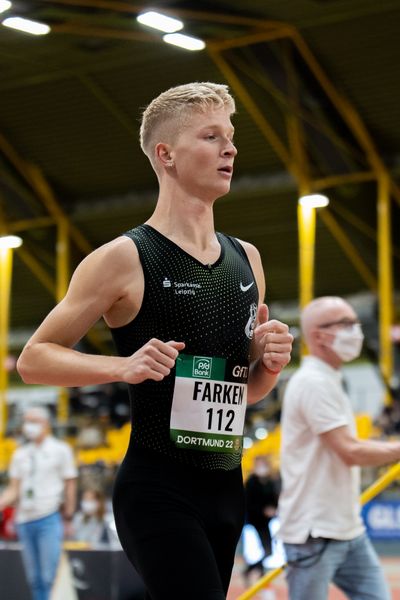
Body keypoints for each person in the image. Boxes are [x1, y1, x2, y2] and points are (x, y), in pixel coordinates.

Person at [16, 82, 293, 599]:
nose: (230, 148)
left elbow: (245, 392)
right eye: (211, 136)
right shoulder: (123, 257)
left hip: (227, 488)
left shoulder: (247, 259)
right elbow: (33, 359)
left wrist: (268, 367)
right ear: (165, 154)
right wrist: (121, 368)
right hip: (158, 487)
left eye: (230, 136)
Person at [278, 296, 400, 600]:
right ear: (319, 335)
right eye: (346, 324)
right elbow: (351, 451)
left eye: (355, 323)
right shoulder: (313, 383)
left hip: (347, 529)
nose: (356, 330)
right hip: (314, 532)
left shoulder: (330, 380)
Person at [0, 406, 77, 600]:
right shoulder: (20, 454)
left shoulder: (61, 450)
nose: (29, 426)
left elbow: (70, 483)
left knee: (49, 575)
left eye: (34, 421)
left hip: (49, 517)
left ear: (46, 424)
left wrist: (68, 515)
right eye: (27, 421)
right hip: (24, 519)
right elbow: (14, 489)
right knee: (34, 577)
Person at [243, 455, 280, 580]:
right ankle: (253, 570)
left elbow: (274, 499)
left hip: (266, 522)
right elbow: (248, 502)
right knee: (265, 549)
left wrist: (273, 509)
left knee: (268, 550)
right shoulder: (251, 482)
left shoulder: (269, 482)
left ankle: (254, 570)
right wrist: (263, 510)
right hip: (254, 521)